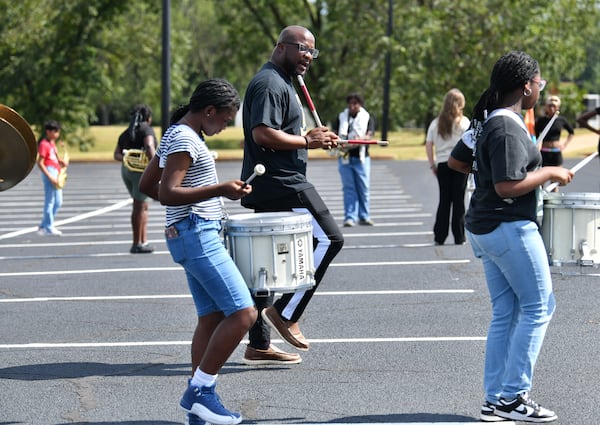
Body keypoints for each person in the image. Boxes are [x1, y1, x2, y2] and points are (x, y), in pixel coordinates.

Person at [138, 79, 257, 425]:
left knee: (212, 317)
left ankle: (198, 409)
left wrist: (208, 193)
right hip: (196, 234)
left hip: (190, 233)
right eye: (223, 120)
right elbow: (168, 192)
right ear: (208, 111)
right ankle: (200, 391)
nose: (222, 128)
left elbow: (149, 186)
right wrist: (220, 188)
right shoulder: (186, 138)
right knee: (243, 313)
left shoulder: (177, 133)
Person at [465, 51, 573, 423]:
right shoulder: (507, 125)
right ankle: (512, 397)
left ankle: (495, 399)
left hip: (488, 226)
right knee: (539, 306)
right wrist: (550, 174)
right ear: (526, 85)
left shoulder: (497, 121)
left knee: (507, 312)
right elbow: (508, 186)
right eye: (539, 82)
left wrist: (540, 181)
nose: (540, 89)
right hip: (506, 225)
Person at [240, 25, 344, 365]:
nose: (309, 58)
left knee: (264, 270)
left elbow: (280, 131)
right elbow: (262, 134)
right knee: (331, 238)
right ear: (281, 46)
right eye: (303, 49)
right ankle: (285, 311)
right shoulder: (270, 82)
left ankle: (258, 343)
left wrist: (309, 136)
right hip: (279, 183)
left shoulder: (282, 81)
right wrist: (306, 141)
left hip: (275, 182)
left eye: (314, 52)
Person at [425, 88, 470, 245]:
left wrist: (432, 164)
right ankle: (459, 235)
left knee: (444, 200)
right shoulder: (464, 122)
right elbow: (470, 144)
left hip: (443, 163)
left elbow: (429, 144)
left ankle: (440, 235)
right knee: (459, 200)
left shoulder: (436, 123)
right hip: (460, 163)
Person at [114, 104, 157, 253]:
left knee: (142, 205)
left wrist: (129, 157)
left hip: (127, 171)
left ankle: (143, 241)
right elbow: (150, 147)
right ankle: (136, 243)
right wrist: (158, 168)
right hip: (140, 172)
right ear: (148, 118)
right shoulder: (147, 130)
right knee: (139, 207)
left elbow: (117, 155)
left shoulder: (126, 132)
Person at [334, 93, 375, 227]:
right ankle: (349, 217)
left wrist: (359, 141)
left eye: (355, 104)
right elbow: (335, 135)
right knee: (348, 188)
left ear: (360, 105)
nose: (352, 106)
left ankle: (364, 216)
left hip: (361, 159)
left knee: (363, 188)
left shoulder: (367, 117)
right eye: (350, 103)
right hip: (345, 157)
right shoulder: (341, 117)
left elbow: (368, 136)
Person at [37, 120, 68, 236]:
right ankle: (48, 227)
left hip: (56, 171)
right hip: (50, 172)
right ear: (48, 132)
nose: (57, 134)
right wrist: (50, 177)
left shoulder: (52, 143)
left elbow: (52, 158)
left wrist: (61, 162)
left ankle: (44, 225)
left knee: (58, 202)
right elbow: (40, 163)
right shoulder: (44, 144)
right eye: (54, 132)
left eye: (57, 131)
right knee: (49, 202)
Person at [534, 95, 575, 167]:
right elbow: (536, 134)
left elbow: (571, 132)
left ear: (558, 107)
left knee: (557, 175)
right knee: (543, 175)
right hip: (544, 152)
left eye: (554, 106)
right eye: (550, 106)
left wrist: (565, 145)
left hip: (556, 152)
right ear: (546, 107)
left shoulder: (561, 120)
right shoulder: (541, 121)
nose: (552, 108)